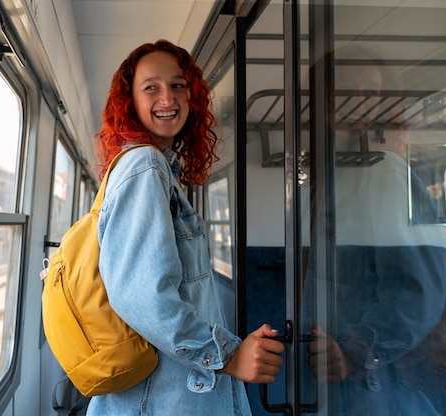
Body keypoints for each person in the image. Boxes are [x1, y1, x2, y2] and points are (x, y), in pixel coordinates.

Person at [87, 39, 284, 415]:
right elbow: (143, 298)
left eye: (178, 85)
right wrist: (227, 357)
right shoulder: (144, 166)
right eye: (151, 87)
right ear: (130, 101)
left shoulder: (159, 168)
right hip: (160, 399)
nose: (168, 98)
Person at [300, 46, 446, 415]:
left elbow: (415, 287)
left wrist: (358, 351)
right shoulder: (337, 170)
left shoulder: (381, 170)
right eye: (345, 90)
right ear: (325, 100)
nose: (361, 102)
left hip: (369, 381)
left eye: (371, 92)